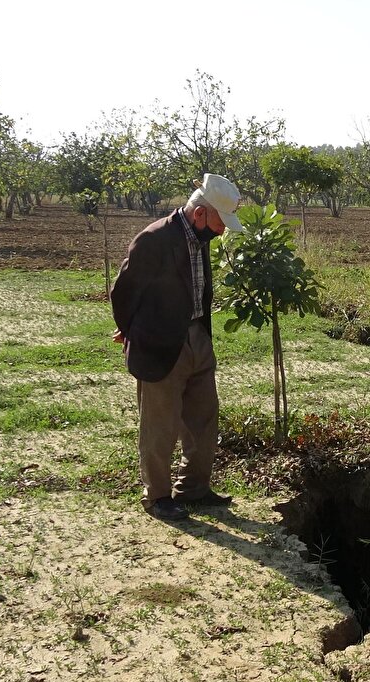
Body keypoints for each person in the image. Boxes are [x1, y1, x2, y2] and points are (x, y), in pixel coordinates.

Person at [109, 174, 242, 520]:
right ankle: (158, 497)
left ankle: (194, 489)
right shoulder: (153, 240)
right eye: (218, 223)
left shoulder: (202, 237)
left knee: (203, 419)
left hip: (197, 336)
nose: (221, 231)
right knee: (160, 425)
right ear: (199, 214)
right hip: (160, 345)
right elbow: (123, 292)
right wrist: (130, 330)